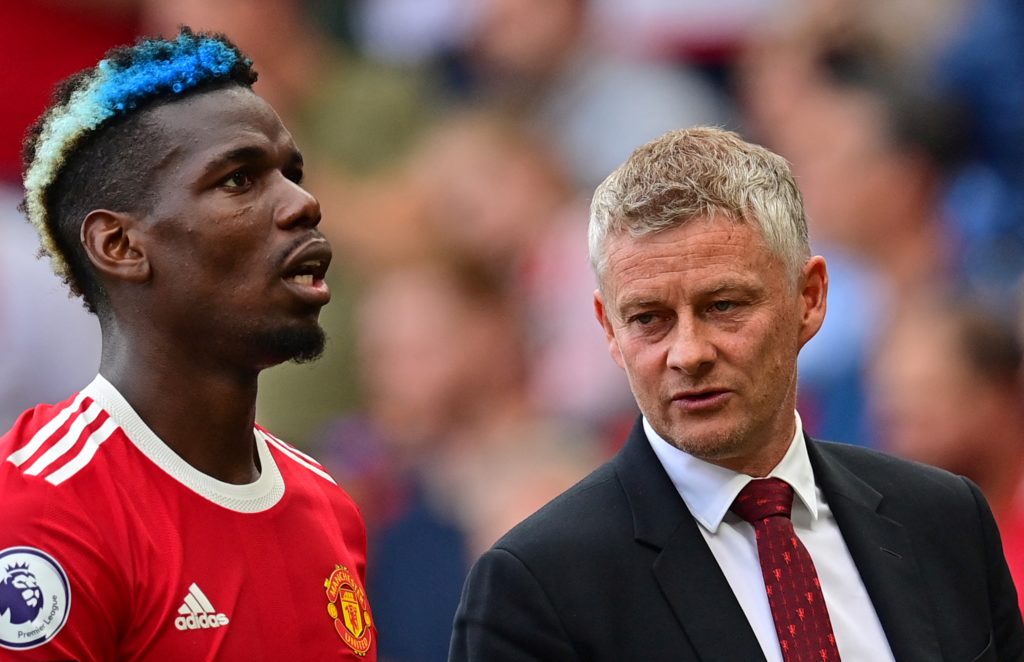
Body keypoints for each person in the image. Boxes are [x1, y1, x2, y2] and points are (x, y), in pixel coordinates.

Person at [449, 127, 1024, 661]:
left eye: (723, 306)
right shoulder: (538, 584)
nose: (688, 352)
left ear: (810, 298)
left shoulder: (946, 521)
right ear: (609, 331)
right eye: (649, 319)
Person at [0, 28, 375, 659]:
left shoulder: (329, 508)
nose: (304, 204)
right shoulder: (41, 514)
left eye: (293, 174)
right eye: (238, 180)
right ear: (119, 246)